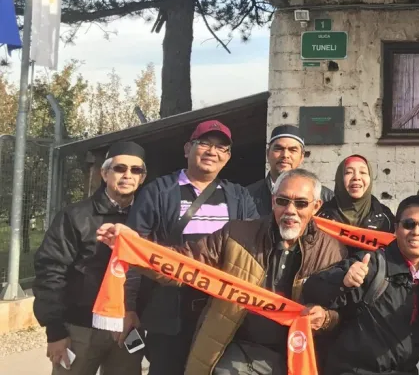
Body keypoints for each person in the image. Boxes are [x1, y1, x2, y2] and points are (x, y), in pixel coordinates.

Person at [98, 168, 346, 375]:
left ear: (316, 206)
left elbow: (340, 310)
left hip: (293, 356)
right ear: (273, 201)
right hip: (232, 349)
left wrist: (324, 318)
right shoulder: (236, 234)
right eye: (283, 201)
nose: (290, 210)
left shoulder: (332, 251)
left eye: (301, 203)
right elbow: (182, 263)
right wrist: (136, 248)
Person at [124, 120, 259, 375]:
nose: (212, 152)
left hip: (219, 314)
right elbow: (132, 252)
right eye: (205, 143)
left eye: (221, 148)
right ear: (188, 149)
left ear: (227, 157)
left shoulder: (240, 197)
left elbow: (253, 254)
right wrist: (128, 307)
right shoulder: (158, 192)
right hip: (168, 312)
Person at [33, 142, 148, 375]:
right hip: (80, 329)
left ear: (143, 177)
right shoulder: (75, 216)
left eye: (136, 170)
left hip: (127, 326)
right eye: (120, 168)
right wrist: (55, 331)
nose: (128, 175)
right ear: (104, 173)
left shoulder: (148, 217)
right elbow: (50, 272)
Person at [305, 195, 419, 375]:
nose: (416, 232)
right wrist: (343, 281)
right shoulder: (372, 265)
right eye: (409, 224)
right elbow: (312, 289)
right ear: (396, 228)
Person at [247, 124, 333, 216]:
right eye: (279, 149)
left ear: (301, 157)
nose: (285, 155)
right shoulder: (247, 195)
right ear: (268, 153)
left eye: (292, 150)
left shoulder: (326, 197)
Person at [318, 154, 395, 232]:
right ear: (340, 178)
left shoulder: (385, 218)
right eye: (349, 172)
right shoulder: (321, 216)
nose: (356, 177)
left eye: (363, 172)